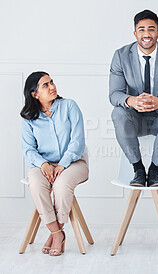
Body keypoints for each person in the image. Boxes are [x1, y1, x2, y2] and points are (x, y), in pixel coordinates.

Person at [109, 9, 158, 187]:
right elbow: (114, 94)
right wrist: (133, 101)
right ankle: (138, 170)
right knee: (118, 113)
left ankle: (154, 171)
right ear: (135, 33)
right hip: (134, 118)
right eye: (141, 29)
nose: (146, 34)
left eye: (151, 29)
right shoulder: (120, 56)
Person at [20, 71, 88, 256]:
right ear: (34, 94)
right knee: (35, 184)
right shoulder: (28, 117)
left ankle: (55, 233)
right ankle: (57, 233)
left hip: (74, 162)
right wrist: (43, 164)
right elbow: (28, 150)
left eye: (52, 82)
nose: (52, 87)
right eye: (45, 85)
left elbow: (78, 141)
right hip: (42, 165)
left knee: (62, 184)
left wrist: (62, 164)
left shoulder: (69, 106)